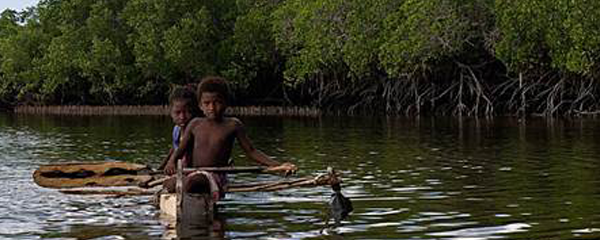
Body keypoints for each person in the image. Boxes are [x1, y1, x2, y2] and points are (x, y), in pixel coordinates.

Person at [163, 76, 297, 200]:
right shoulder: (195, 124)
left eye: (217, 103)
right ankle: (185, 188)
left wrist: (279, 165)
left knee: (196, 181)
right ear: (200, 105)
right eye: (207, 103)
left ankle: (188, 189)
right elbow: (180, 149)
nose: (212, 108)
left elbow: (252, 151)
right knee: (169, 183)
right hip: (193, 173)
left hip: (215, 176)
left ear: (226, 103)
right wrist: (171, 162)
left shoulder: (233, 125)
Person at [157, 85, 202, 171]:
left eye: (188, 112)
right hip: (181, 171)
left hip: (193, 172)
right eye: (177, 112)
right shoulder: (176, 130)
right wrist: (160, 168)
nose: (182, 117)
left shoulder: (198, 132)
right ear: (171, 112)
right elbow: (175, 148)